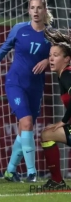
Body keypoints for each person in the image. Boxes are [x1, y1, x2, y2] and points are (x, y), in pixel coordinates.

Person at [0, 0, 53, 182]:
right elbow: (3, 50)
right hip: (16, 83)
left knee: (24, 130)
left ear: (45, 10)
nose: (35, 11)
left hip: (36, 87)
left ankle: (10, 171)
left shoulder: (51, 35)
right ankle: (31, 172)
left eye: (39, 8)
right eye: (32, 7)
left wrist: (47, 60)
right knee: (27, 122)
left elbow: (60, 56)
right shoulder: (19, 29)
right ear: (28, 10)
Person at [40, 28, 71, 189]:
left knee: (46, 134)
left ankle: (58, 181)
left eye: (56, 55)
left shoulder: (67, 75)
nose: (51, 59)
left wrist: (64, 121)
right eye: (50, 55)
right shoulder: (64, 75)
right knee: (46, 133)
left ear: (67, 59)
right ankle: (57, 181)